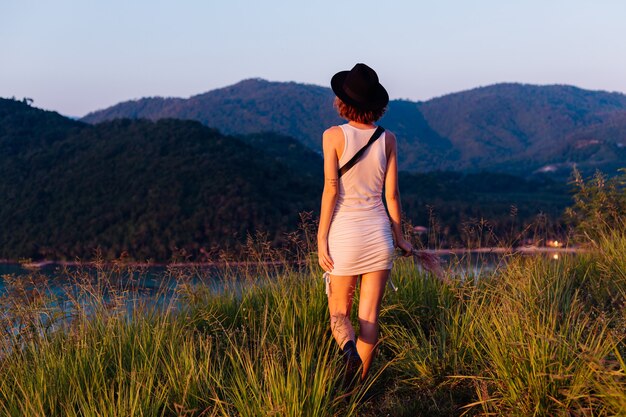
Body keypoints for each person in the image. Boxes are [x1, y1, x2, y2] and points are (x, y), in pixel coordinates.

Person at [317, 63, 413, 380]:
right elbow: (393, 196)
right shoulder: (388, 139)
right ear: (376, 105)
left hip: (344, 235)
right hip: (378, 236)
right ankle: (357, 388)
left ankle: (347, 352)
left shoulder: (332, 136)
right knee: (369, 317)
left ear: (343, 101)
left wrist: (321, 239)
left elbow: (331, 189)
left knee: (338, 313)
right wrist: (399, 236)